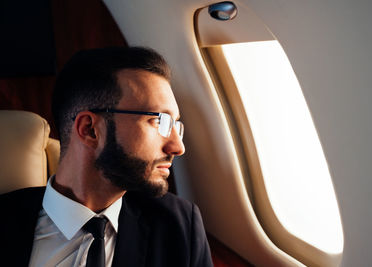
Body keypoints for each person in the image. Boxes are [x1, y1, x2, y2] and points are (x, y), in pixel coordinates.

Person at [0, 47, 213, 267]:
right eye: (160, 121)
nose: (178, 147)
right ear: (90, 129)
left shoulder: (179, 225)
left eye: (175, 124)